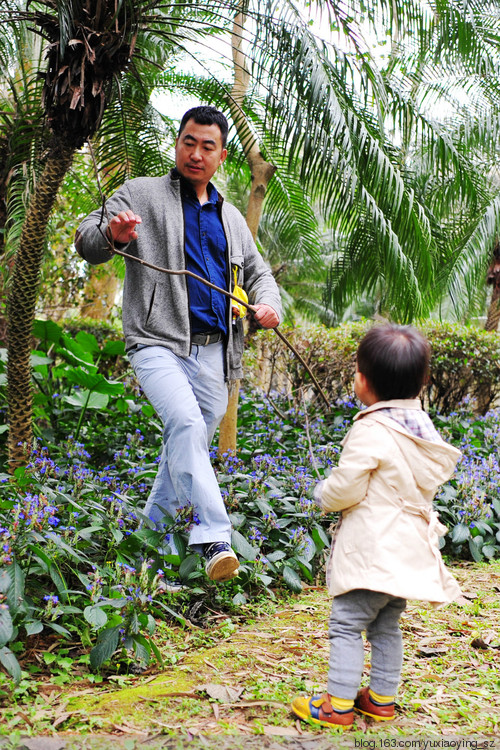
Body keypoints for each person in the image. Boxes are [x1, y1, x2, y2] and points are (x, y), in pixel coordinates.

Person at [75, 105, 282, 583]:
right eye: (189, 141)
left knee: (182, 451)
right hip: (156, 343)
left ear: (222, 156)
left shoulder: (230, 217)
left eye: (207, 146)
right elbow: (87, 239)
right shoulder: (141, 194)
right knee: (186, 423)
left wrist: (267, 306)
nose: (196, 153)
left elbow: (259, 273)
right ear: (178, 143)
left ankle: (141, 563)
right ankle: (213, 536)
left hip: (215, 352)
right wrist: (113, 234)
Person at [291, 324, 462, 728]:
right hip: (406, 552)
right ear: (421, 383)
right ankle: (382, 698)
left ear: (364, 382)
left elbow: (347, 487)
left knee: (347, 623)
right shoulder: (423, 430)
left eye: (356, 370)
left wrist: (321, 496)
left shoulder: (371, 429)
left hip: (373, 550)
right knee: (386, 623)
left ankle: (338, 704)